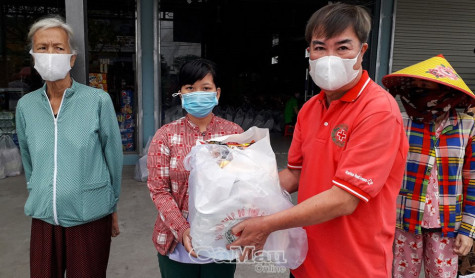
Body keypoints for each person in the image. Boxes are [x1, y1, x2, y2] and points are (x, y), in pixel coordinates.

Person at [227, 3, 409, 277]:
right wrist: (235, 193)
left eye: (343, 47)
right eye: (320, 47)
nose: (329, 57)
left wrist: (266, 224)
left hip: (354, 264)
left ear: (362, 52)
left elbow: (345, 199)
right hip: (305, 259)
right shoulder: (311, 108)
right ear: (309, 52)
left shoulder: (378, 111)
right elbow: (294, 175)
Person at [15, 15, 123, 277]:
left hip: (89, 214)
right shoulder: (26, 106)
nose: (50, 53)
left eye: (58, 47)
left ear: (72, 58)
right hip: (43, 215)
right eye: (42, 48)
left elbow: (113, 157)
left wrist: (112, 206)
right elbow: (28, 159)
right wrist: (38, 190)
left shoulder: (97, 100)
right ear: (34, 56)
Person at [147, 58, 243, 278]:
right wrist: (183, 229)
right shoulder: (166, 135)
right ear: (181, 93)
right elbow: (159, 190)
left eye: (205, 88)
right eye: (190, 88)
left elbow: (243, 184)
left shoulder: (233, 134)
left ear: (217, 94)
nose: (198, 93)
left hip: (222, 239)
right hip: (176, 240)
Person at [382, 55, 475, 277]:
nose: (420, 90)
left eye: (426, 85)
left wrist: (469, 229)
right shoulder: (400, 122)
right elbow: (383, 173)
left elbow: (473, 179)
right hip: (403, 221)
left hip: (448, 226)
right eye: (416, 85)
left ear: (443, 89)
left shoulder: (466, 125)